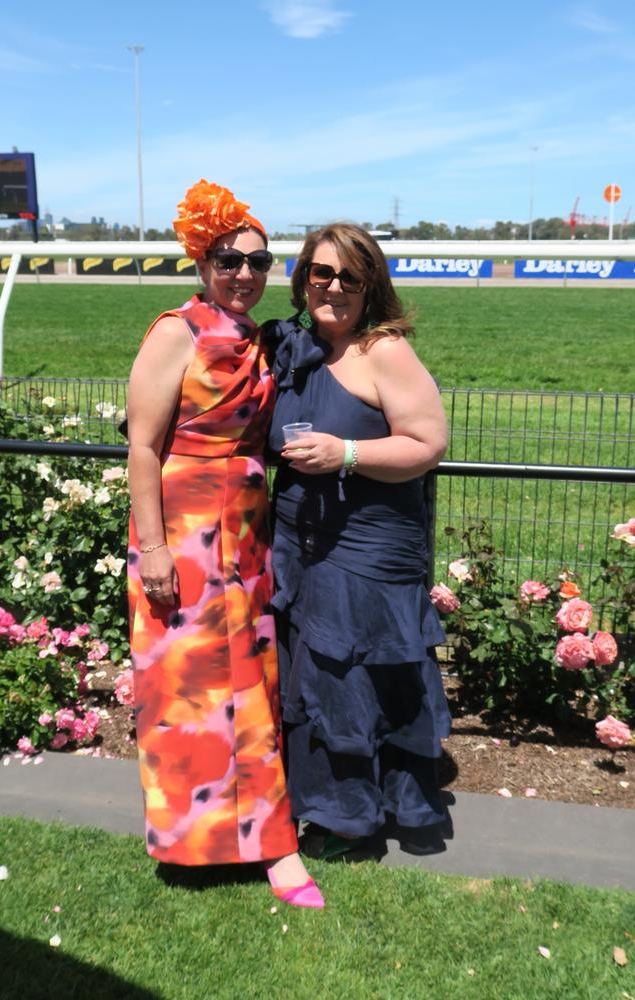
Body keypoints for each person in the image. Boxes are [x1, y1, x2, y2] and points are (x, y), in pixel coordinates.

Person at [127, 179, 323, 908]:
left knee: (252, 688)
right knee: (190, 692)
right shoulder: (173, 332)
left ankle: (271, 843)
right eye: (226, 259)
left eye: (257, 260)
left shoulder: (256, 337)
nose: (243, 273)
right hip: (178, 531)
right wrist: (152, 549)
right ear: (200, 261)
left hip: (244, 530)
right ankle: (204, 842)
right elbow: (142, 448)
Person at [265, 223, 451, 857]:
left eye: (350, 275)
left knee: (358, 679)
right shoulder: (292, 344)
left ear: (371, 284)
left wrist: (345, 451)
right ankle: (329, 803)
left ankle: (357, 821)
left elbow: (427, 445)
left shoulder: (384, 352)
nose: (334, 287)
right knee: (317, 678)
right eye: (322, 273)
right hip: (300, 540)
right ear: (303, 279)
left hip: (368, 546)